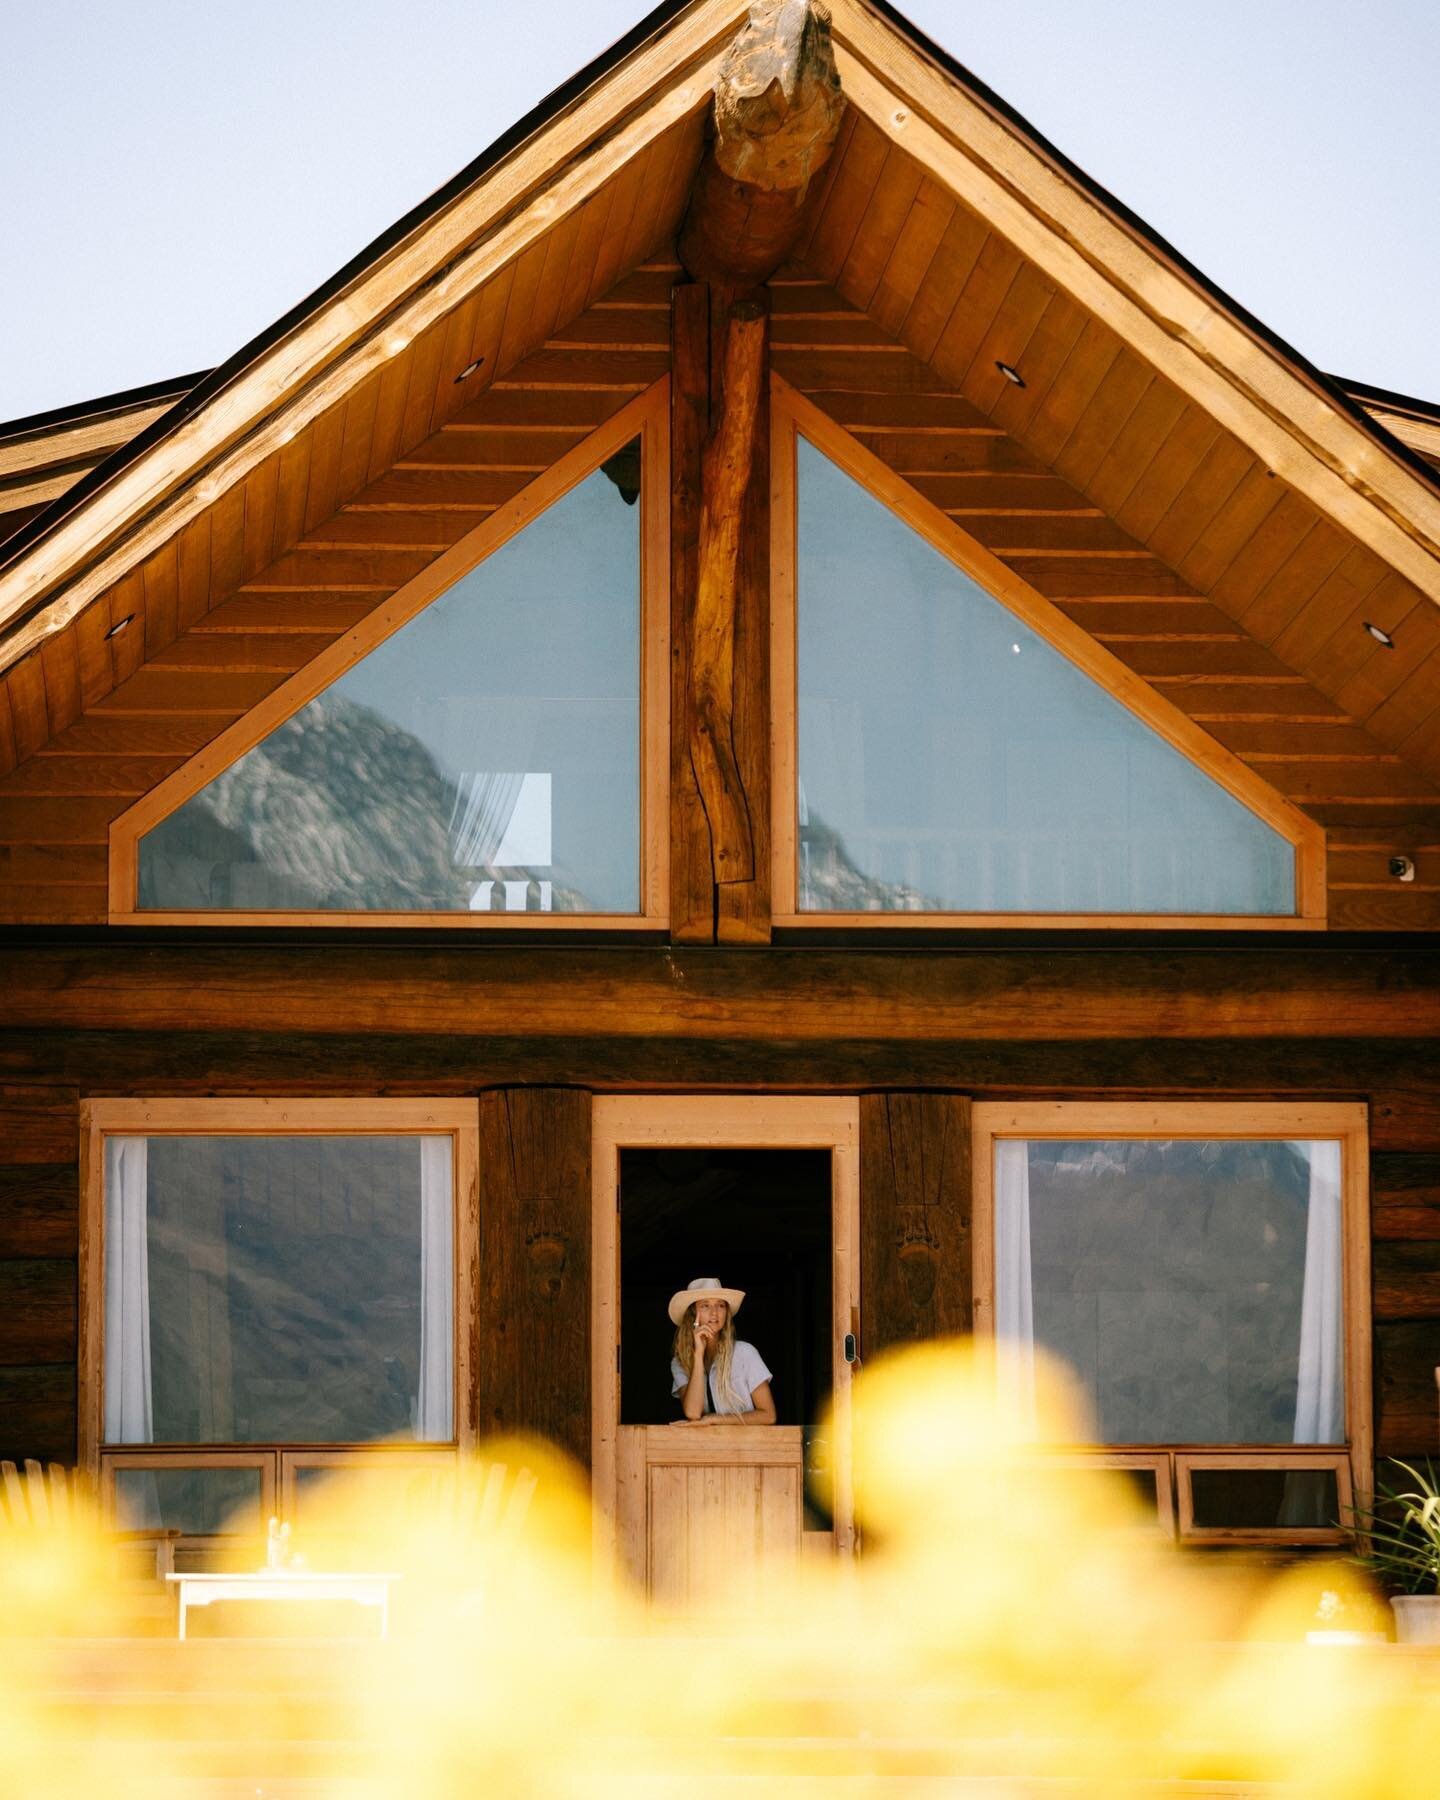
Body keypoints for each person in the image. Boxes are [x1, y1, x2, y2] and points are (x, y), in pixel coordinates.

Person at [668, 1276, 776, 1425]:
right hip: (706, 1446)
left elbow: (768, 1415)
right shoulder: (680, 1362)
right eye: (705, 1305)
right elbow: (692, 1412)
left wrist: (714, 1419)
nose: (714, 1313)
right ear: (693, 1314)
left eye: (720, 1305)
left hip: (748, 1446)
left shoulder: (745, 1353)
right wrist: (698, 1355)